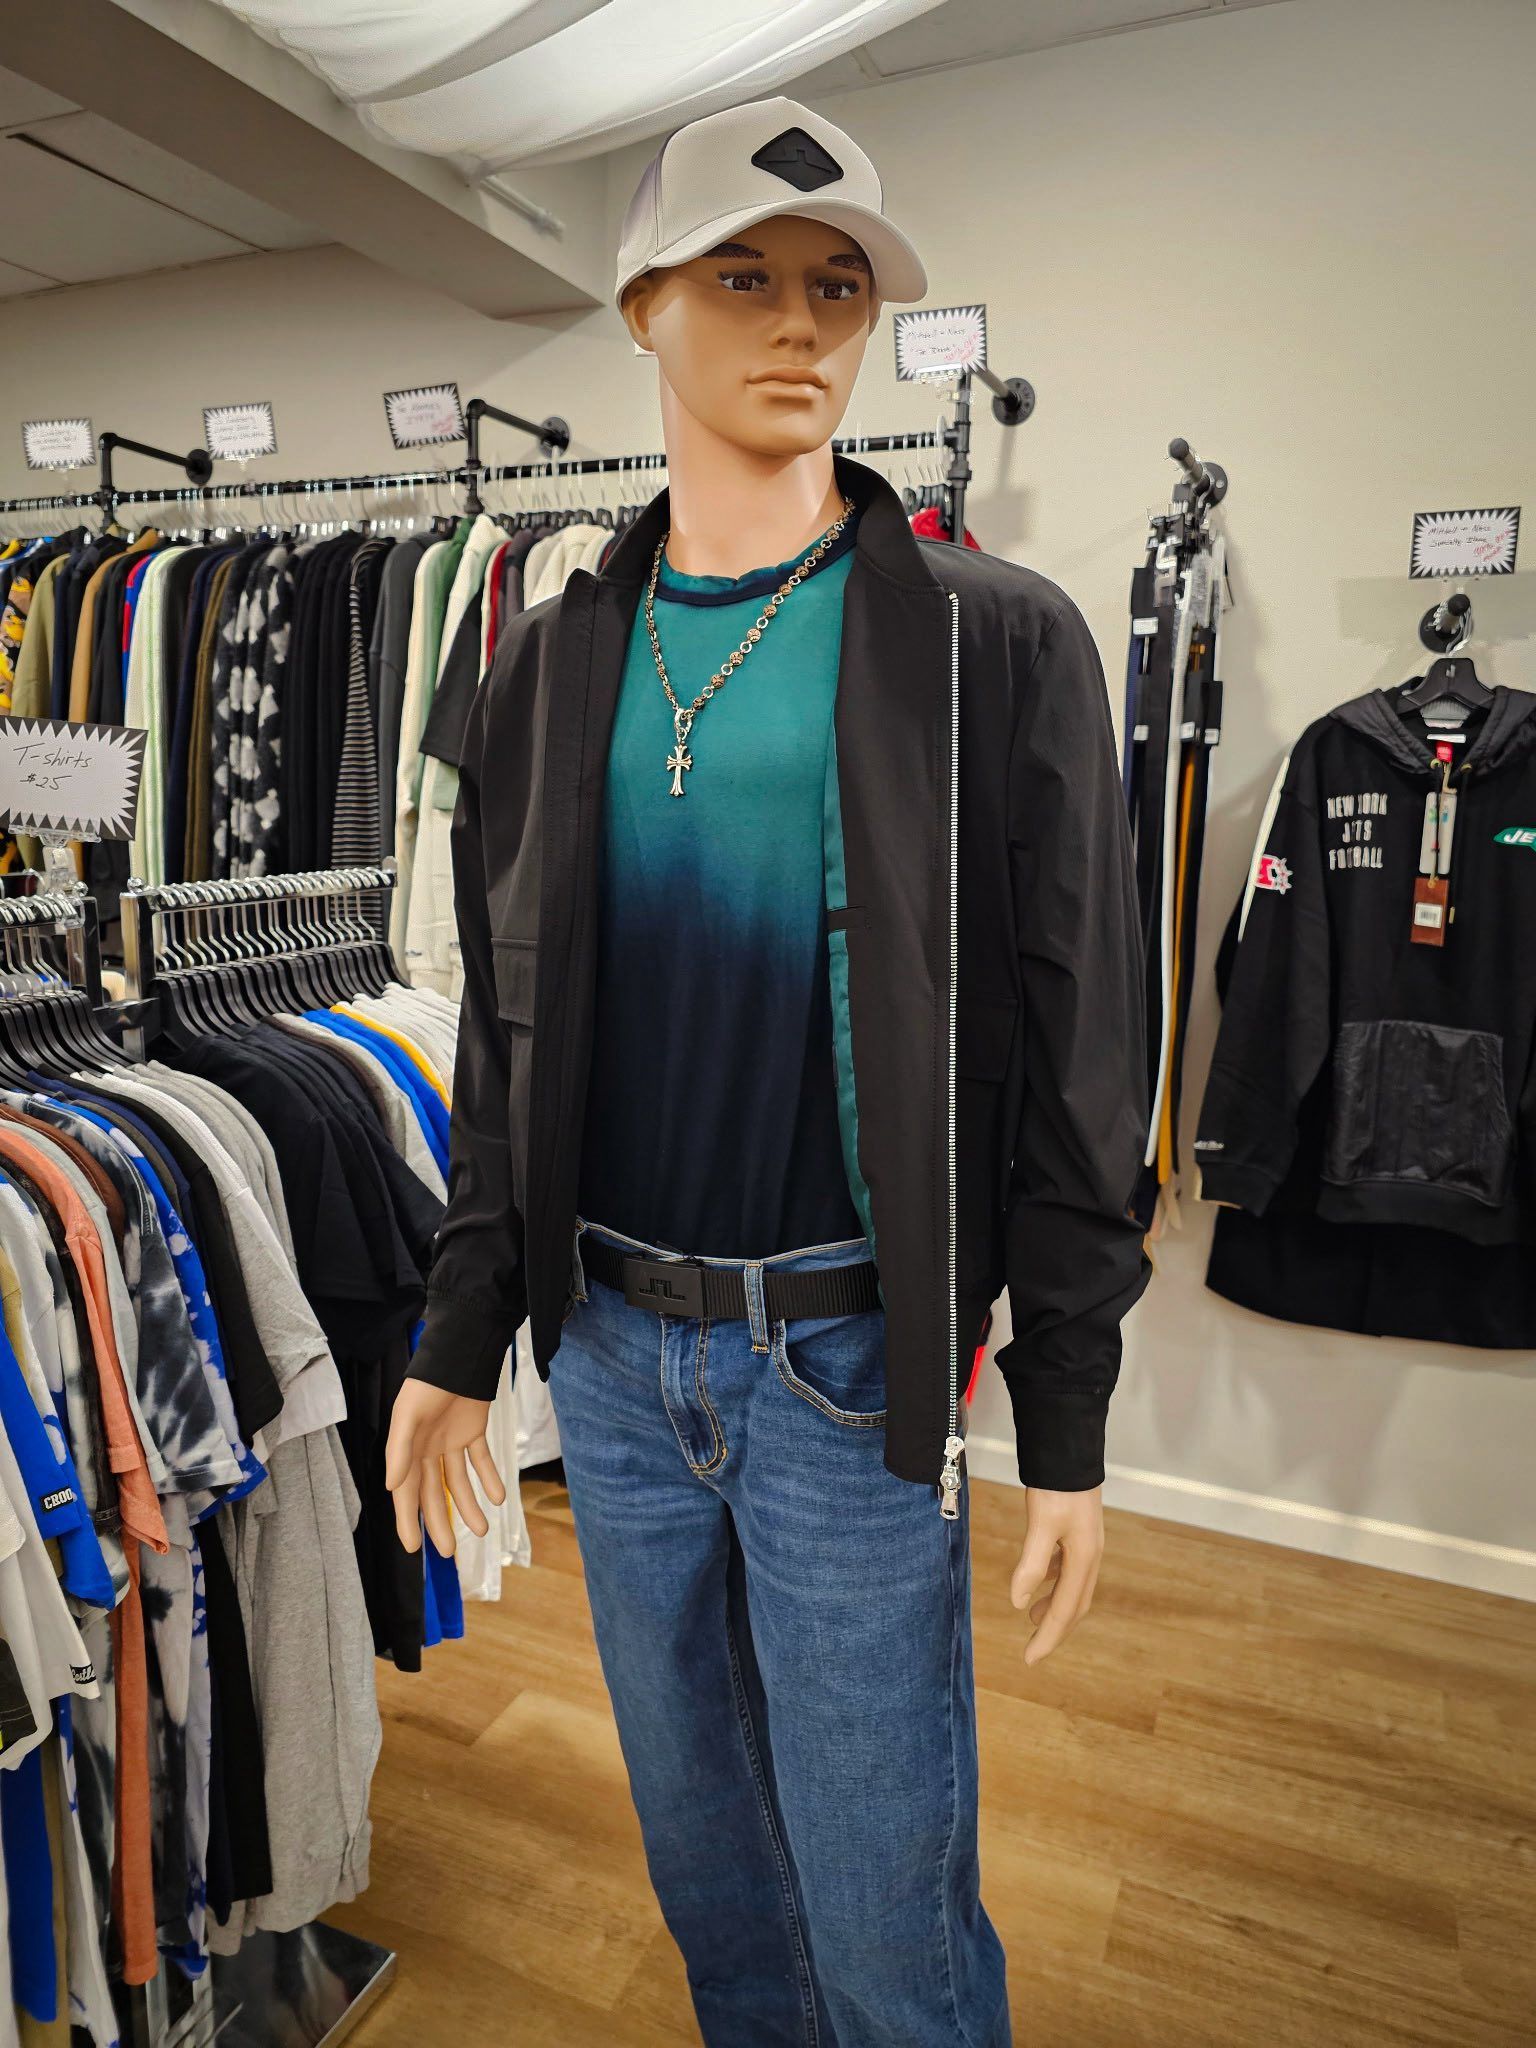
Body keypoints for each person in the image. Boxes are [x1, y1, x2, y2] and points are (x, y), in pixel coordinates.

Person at [385, 95, 1149, 2046]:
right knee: (715, 1880)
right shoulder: (547, 663)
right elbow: (511, 1027)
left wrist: (1063, 1402)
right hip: (619, 1370)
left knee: (891, 1923)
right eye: (746, 276)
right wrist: (462, 1329)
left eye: (837, 286)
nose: (801, 323)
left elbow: (1080, 1060)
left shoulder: (993, 646)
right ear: (642, 303)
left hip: (841, 1378)